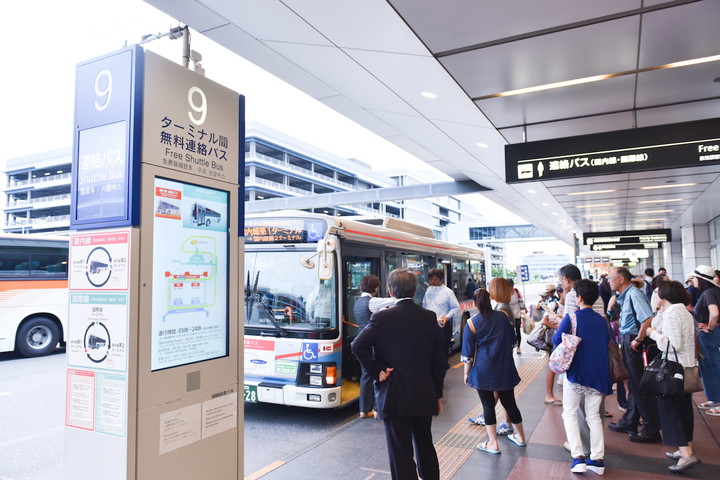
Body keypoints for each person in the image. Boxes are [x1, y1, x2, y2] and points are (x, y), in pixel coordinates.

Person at [351, 268, 446, 480]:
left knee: (400, 451)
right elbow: (440, 361)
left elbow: (357, 345)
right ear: (415, 290)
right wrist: (437, 394)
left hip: (393, 395)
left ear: (390, 291)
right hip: (424, 393)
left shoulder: (382, 318)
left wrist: (378, 372)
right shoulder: (429, 317)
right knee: (425, 444)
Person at [553, 279, 611, 475]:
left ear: (579, 297)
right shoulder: (602, 320)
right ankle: (597, 460)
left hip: (577, 373)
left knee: (569, 412)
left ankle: (578, 458)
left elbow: (556, 340)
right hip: (599, 374)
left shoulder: (572, 317)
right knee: (594, 416)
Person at [647, 280, 703, 473]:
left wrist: (652, 334)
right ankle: (687, 447)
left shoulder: (672, 314)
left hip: (673, 369)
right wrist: (659, 312)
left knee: (670, 410)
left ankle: (687, 455)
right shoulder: (683, 312)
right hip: (686, 368)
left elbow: (672, 344)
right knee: (684, 408)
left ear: (663, 296)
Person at [462, 288, 526, 455]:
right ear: (489, 300)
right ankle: (520, 437)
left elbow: (468, 354)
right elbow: (512, 342)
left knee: (488, 406)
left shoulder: (472, 323)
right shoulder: (503, 317)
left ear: (475, 303)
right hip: (505, 367)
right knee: (510, 403)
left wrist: (466, 374)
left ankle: (493, 443)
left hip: (483, 371)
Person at [606, 267, 661, 443]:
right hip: (628, 339)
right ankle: (630, 421)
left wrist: (638, 339)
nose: (608, 281)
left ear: (621, 279)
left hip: (633, 342)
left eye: (610, 278)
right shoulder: (626, 296)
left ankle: (651, 428)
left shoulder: (634, 294)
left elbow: (647, 318)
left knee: (638, 385)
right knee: (634, 383)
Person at [354, 275, 394, 419]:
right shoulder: (372, 301)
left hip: (362, 343)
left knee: (365, 376)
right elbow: (394, 299)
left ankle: (364, 410)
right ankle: (377, 409)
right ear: (376, 288)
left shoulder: (357, 303)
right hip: (374, 344)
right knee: (379, 374)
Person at [690, 265, 720, 416]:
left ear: (701, 279)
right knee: (709, 367)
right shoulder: (713, 291)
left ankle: (718, 401)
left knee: (712, 367)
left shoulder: (708, 293)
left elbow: (714, 313)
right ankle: (714, 398)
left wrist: (710, 327)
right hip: (711, 334)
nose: (693, 280)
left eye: (695, 277)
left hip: (709, 334)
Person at [423, 268, 460, 365]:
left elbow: (456, 307)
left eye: (435, 280)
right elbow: (424, 305)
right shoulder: (428, 290)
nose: (432, 282)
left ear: (441, 280)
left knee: (442, 351)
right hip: (429, 325)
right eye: (430, 279)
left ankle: (442, 368)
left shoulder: (448, 292)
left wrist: (447, 317)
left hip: (442, 325)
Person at [507, 278, 526, 354]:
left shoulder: (516, 292)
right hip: (508, 315)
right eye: (508, 286)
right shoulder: (504, 293)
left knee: (518, 331)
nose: (510, 287)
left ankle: (518, 347)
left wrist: (524, 308)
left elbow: (521, 301)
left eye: (511, 285)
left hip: (517, 314)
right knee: (509, 332)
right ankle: (511, 347)